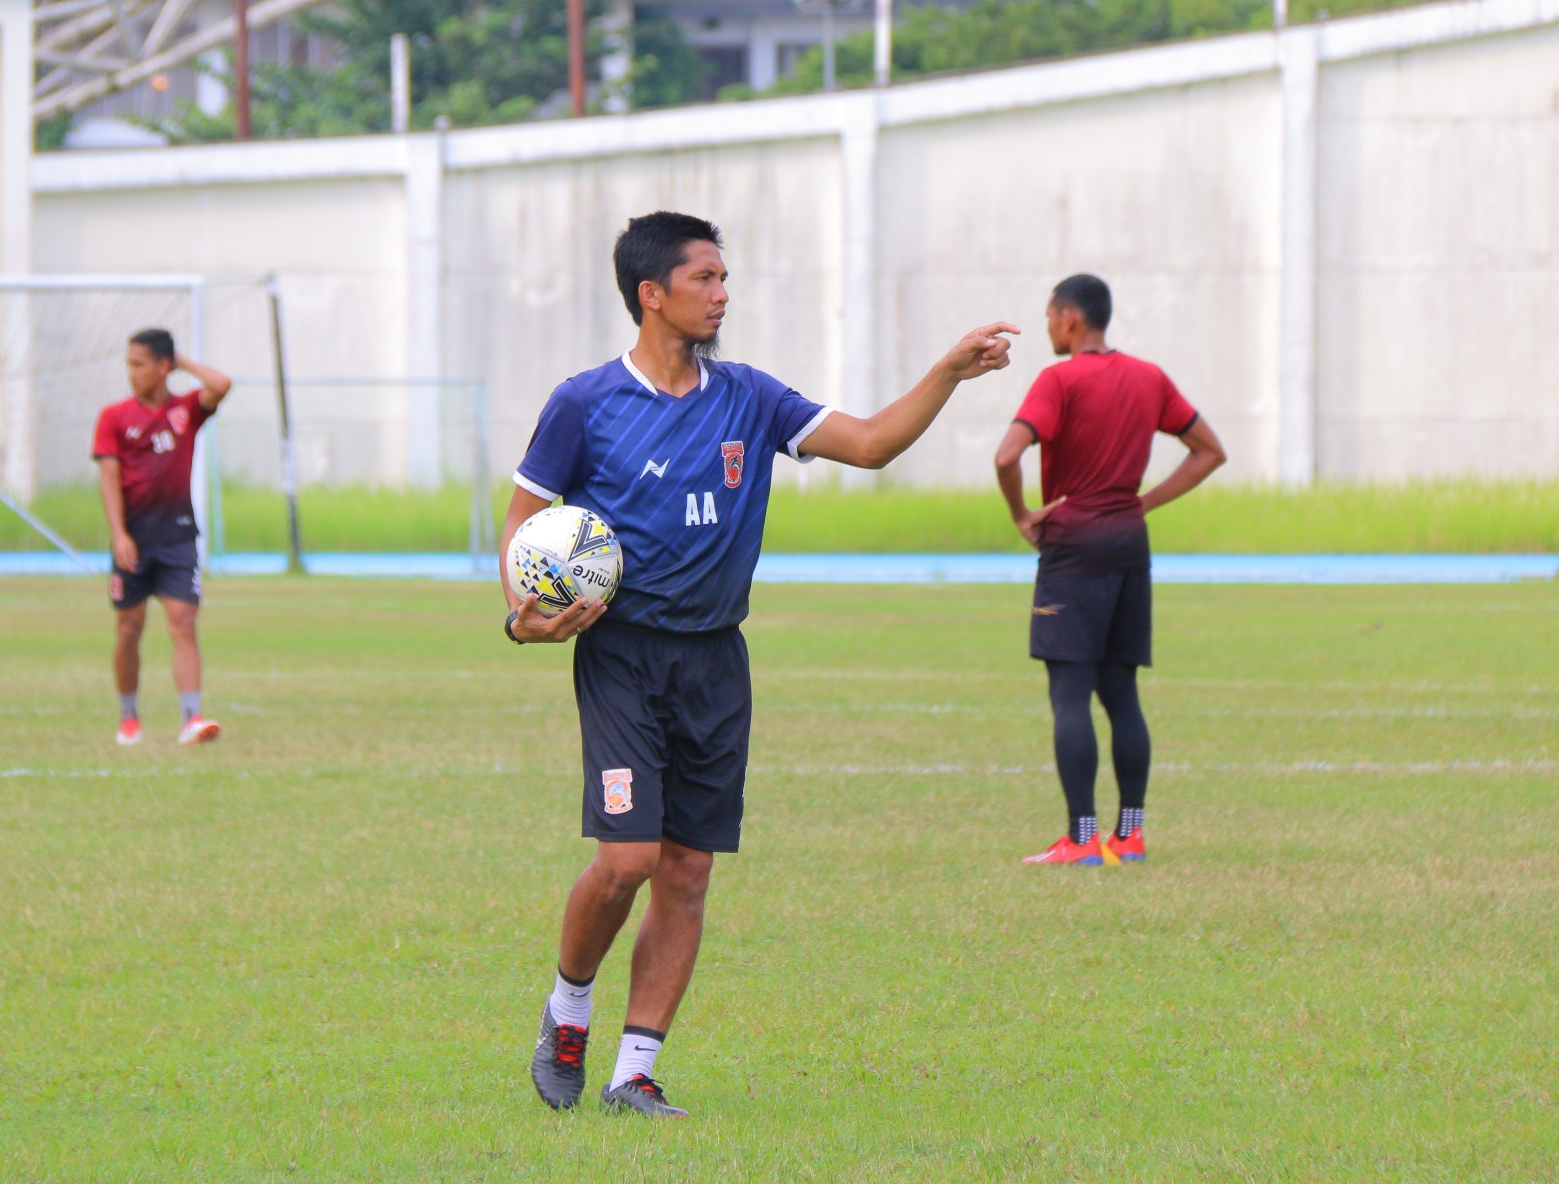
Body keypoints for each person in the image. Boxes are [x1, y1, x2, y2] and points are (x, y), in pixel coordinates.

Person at [505, 210, 1018, 1117]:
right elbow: (525, 524)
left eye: (724, 277)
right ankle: (569, 1009)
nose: (723, 293)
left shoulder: (749, 395)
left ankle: (634, 1072)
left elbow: (867, 445)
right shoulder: (585, 402)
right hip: (622, 656)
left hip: (716, 663)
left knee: (689, 871)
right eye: (705, 278)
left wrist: (946, 373)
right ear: (651, 294)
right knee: (626, 860)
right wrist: (524, 618)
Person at [993, 274, 1226, 865]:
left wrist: (1023, 516)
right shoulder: (1148, 377)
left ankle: (1081, 837)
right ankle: (1131, 832)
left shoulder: (1059, 380)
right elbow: (1209, 452)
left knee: (1070, 696)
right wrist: (1142, 503)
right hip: (1128, 544)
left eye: (1048, 316)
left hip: (1073, 546)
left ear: (1070, 317)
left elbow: (1007, 455)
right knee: (1121, 693)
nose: (1047, 326)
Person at [92, 328, 232, 747]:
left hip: (178, 538)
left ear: (162, 367)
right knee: (129, 628)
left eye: (140, 364)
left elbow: (221, 385)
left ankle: (192, 719)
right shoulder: (114, 417)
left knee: (183, 622)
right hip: (133, 540)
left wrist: (181, 359)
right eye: (129, 364)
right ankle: (128, 717)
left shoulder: (186, 411)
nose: (132, 373)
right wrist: (119, 534)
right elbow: (109, 479)